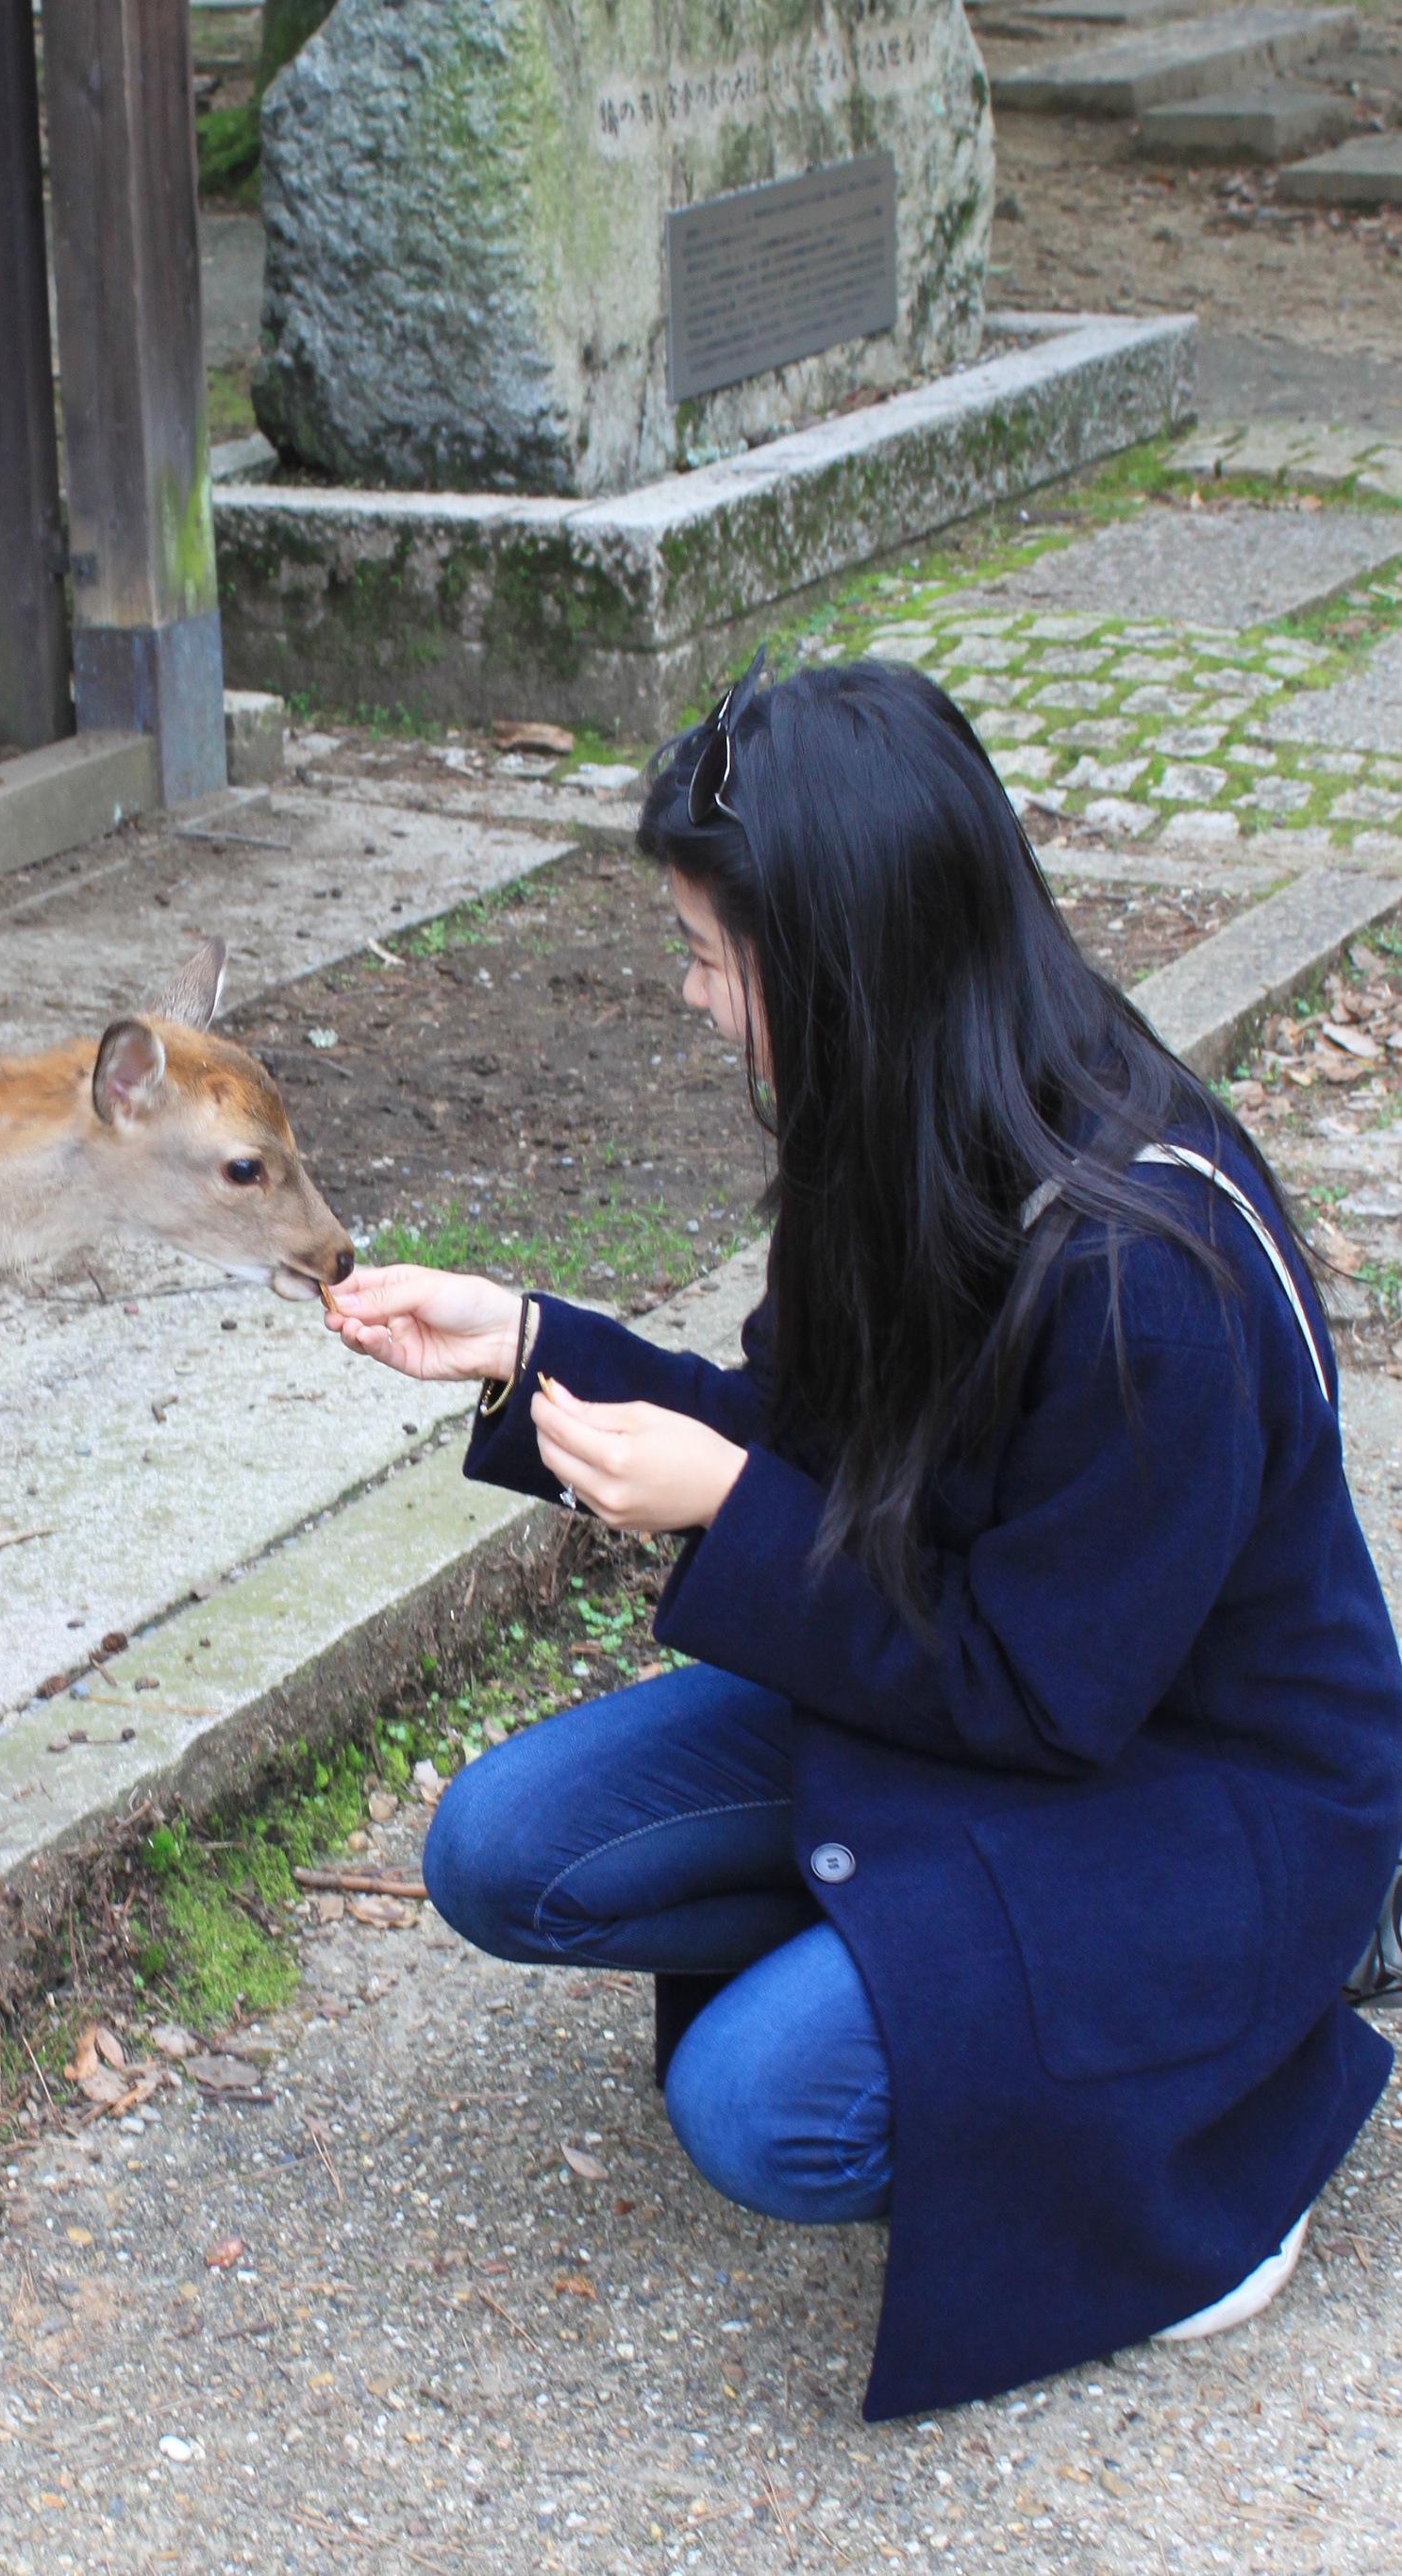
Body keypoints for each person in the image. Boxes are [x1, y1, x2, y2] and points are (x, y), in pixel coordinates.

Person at [324, 657, 1402, 2419]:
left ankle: (1225, 2162)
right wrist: (529, 1345)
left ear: (833, 962)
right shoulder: (904, 1113)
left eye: (703, 953)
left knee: (764, 2113)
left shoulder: (1152, 1273)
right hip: (972, 1692)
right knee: (497, 1850)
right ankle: (922, 1970)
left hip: (1194, 1797)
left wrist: (738, 1512)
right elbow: (796, 1445)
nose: (690, 996)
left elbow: (1045, 1701)